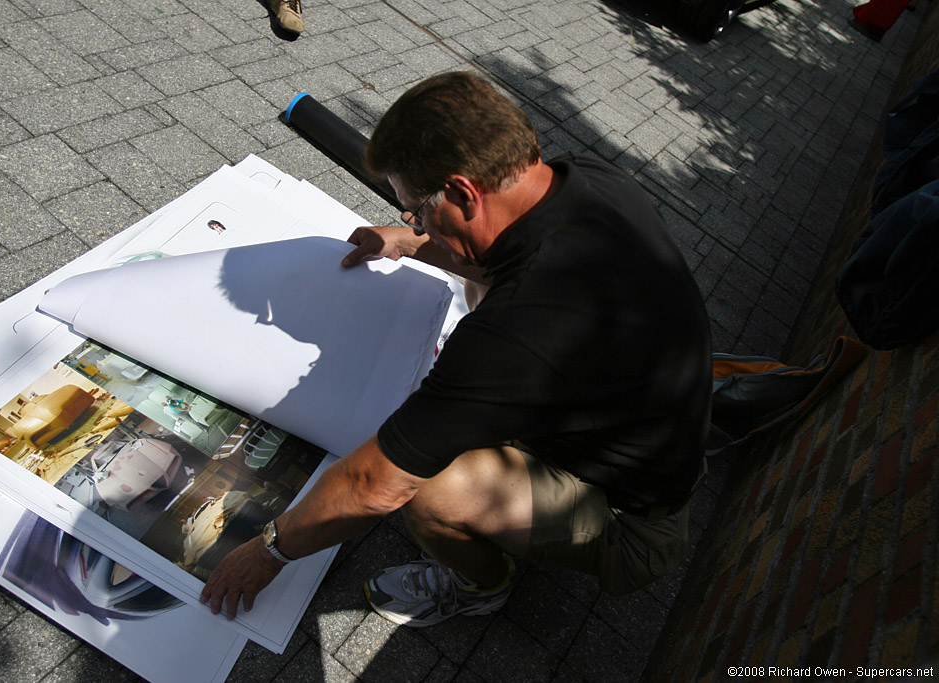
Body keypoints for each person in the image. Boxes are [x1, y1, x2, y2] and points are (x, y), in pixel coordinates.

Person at [200, 71, 712, 626]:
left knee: (428, 489)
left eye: (415, 209)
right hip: (631, 425)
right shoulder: (587, 179)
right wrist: (415, 241)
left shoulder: (517, 333)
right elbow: (496, 254)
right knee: (479, 273)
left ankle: (483, 585)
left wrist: (269, 550)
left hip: (628, 518)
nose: (410, 220)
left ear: (466, 191)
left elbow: (374, 486)